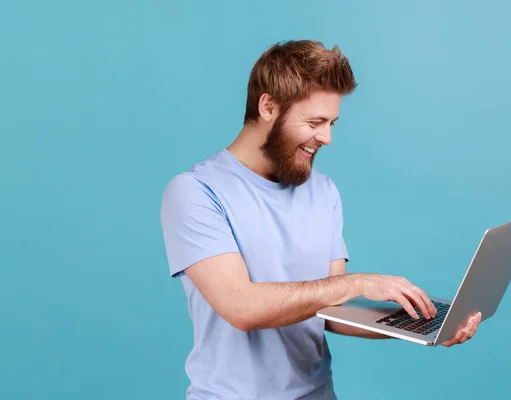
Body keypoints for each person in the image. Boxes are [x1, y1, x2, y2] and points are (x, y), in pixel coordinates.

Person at [160, 39, 481, 400]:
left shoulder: (323, 190)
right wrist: (358, 283)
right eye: (315, 121)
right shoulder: (195, 192)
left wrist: (422, 326)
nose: (326, 137)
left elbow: (331, 312)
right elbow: (241, 307)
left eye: (332, 123)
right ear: (268, 106)